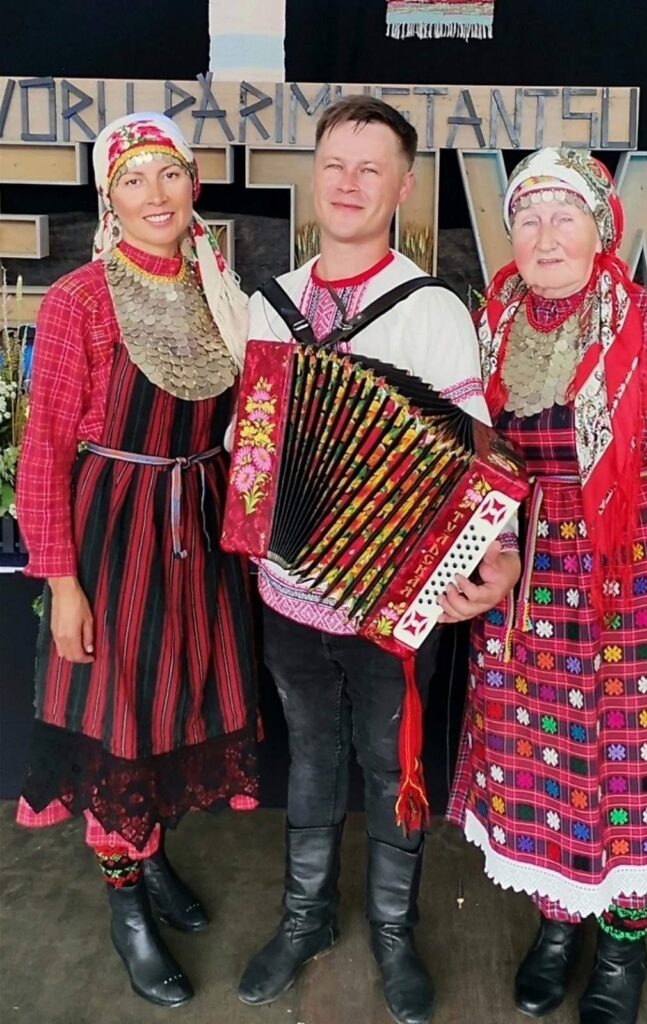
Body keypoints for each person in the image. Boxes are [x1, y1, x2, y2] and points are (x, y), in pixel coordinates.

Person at [234, 95, 521, 1024]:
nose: (350, 184)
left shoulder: (435, 309)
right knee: (310, 753)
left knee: (388, 756)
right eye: (334, 165)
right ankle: (306, 916)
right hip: (289, 588)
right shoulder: (267, 304)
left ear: (403, 187)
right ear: (313, 178)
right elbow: (256, 445)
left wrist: (499, 556)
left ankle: (393, 930)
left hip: (402, 597)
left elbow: (482, 456)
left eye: (372, 168)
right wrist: (250, 527)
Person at [447, 147, 647, 1024]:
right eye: (528, 217)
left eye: (565, 215)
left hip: (632, 591)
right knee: (535, 765)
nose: (545, 235)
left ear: (603, 228)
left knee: (631, 773)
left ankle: (624, 945)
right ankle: (559, 922)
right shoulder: (487, 327)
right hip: (524, 591)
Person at [15, 113, 258, 1008]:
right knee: (120, 721)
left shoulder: (220, 287)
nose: (155, 195)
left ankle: (150, 859)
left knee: (176, 710)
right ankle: (126, 908)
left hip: (199, 533)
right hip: (115, 538)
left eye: (169, 174)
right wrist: (63, 582)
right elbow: (44, 453)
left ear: (193, 184)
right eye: (133, 179)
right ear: (107, 197)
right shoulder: (79, 297)